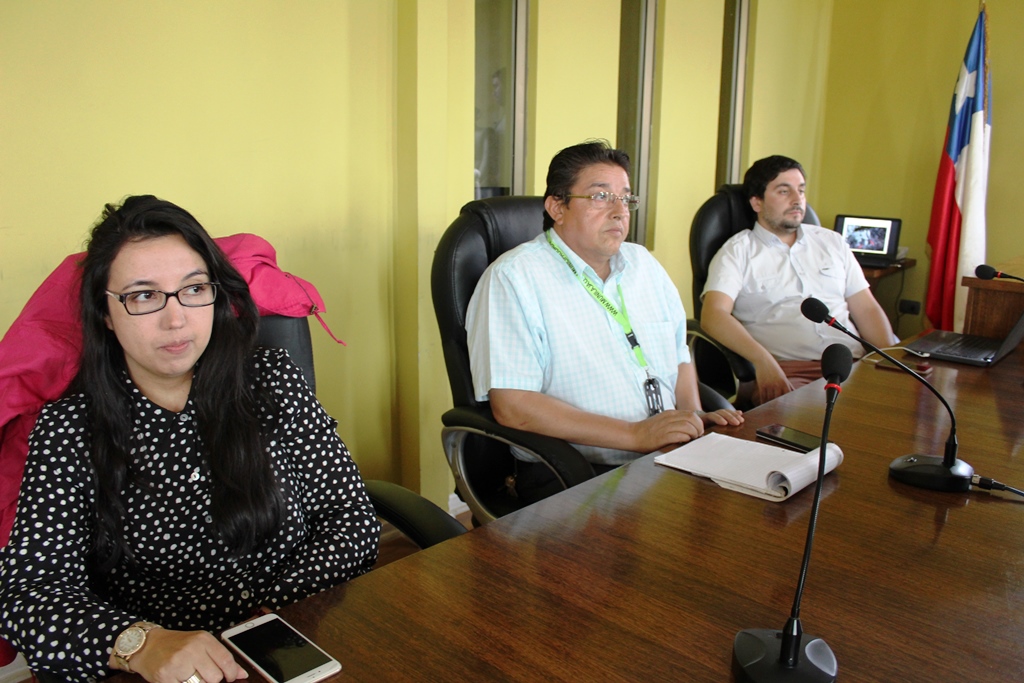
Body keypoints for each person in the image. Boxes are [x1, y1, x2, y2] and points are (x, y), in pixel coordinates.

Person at [0, 196, 380, 682]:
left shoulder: (271, 379)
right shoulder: (70, 428)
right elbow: (30, 592)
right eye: (143, 296)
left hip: (293, 638)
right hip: (163, 669)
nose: (176, 319)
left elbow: (349, 515)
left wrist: (272, 613)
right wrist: (141, 643)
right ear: (105, 313)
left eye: (194, 289)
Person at [466, 140, 743, 501]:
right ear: (557, 207)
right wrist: (634, 434)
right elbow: (513, 405)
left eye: (626, 199)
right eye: (600, 197)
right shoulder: (514, 278)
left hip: (668, 455)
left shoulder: (643, 264)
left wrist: (691, 416)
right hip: (582, 474)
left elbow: (678, 354)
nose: (619, 211)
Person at [701, 155, 898, 405]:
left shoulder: (832, 242)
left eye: (801, 190)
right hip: (788, 373)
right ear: (757, 202)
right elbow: (714, 315)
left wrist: (891, 359)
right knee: (813, 417)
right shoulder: (738, 251)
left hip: (851, 364)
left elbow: (867, 308)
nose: (797, 200)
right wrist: (763, 362)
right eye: (784, 191)